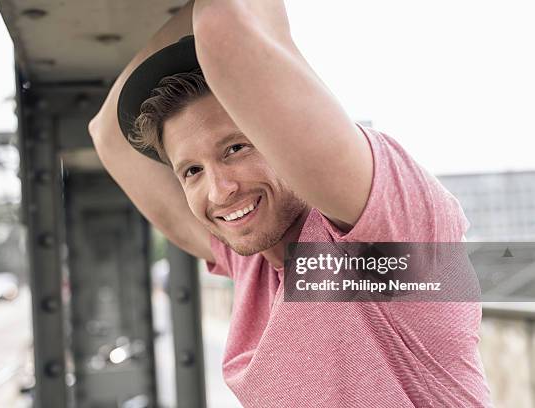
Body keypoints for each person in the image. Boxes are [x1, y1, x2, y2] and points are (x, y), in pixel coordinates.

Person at [89, 1, 492, 406]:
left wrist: (209, 11)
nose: (219, 191)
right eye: (192, 170)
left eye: (234, 148)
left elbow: (224, 24)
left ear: (275, 135)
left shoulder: (382, 235)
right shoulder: (253, 260)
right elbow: (107, 135)